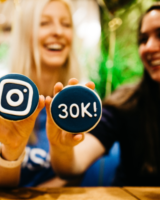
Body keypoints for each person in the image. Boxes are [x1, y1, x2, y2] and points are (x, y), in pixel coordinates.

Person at [0, 0, 95, 187]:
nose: (58, 32)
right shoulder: (1, 102)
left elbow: (73, 174)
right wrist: (12, 148)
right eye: (44, 23)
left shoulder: (79, 106)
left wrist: (62, 150)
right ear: (25, 34)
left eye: (66, 24)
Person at [49, 2, 160, 186]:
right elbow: (72, 167)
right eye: (143, 39)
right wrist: (61, 147)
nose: (148, 47)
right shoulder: (126, 102)